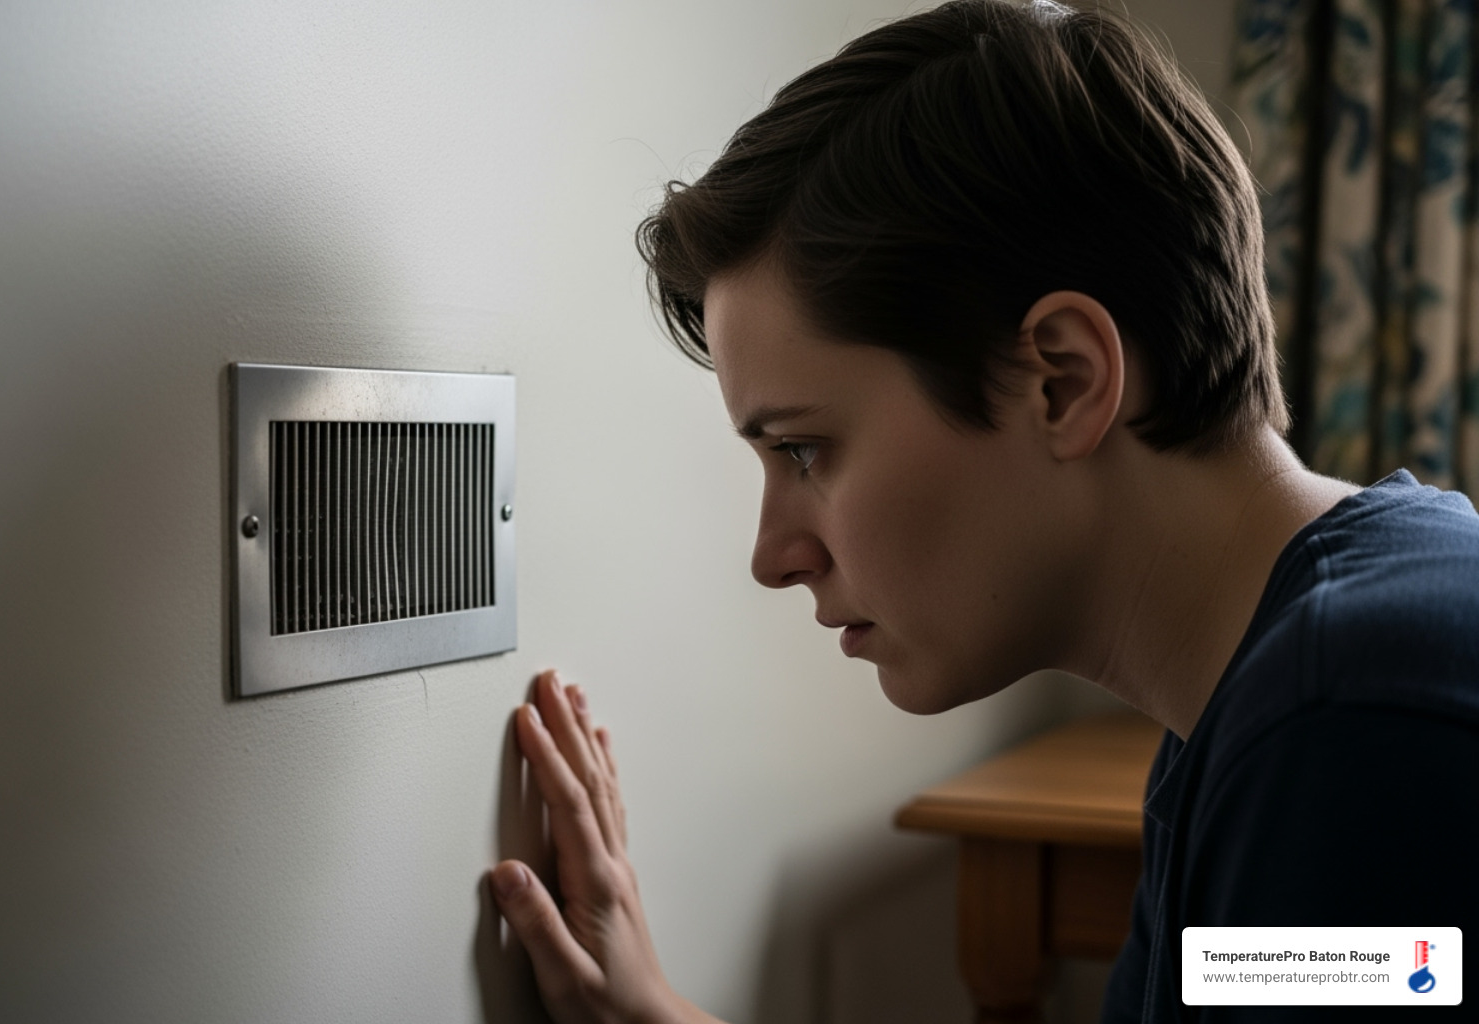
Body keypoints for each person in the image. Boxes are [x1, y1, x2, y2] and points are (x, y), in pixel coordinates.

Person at [485, 1, 1479, 1021]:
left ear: (1061, 379)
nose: (774, 555)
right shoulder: (1260, 694)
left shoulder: (1352, 733)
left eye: (804, 448)